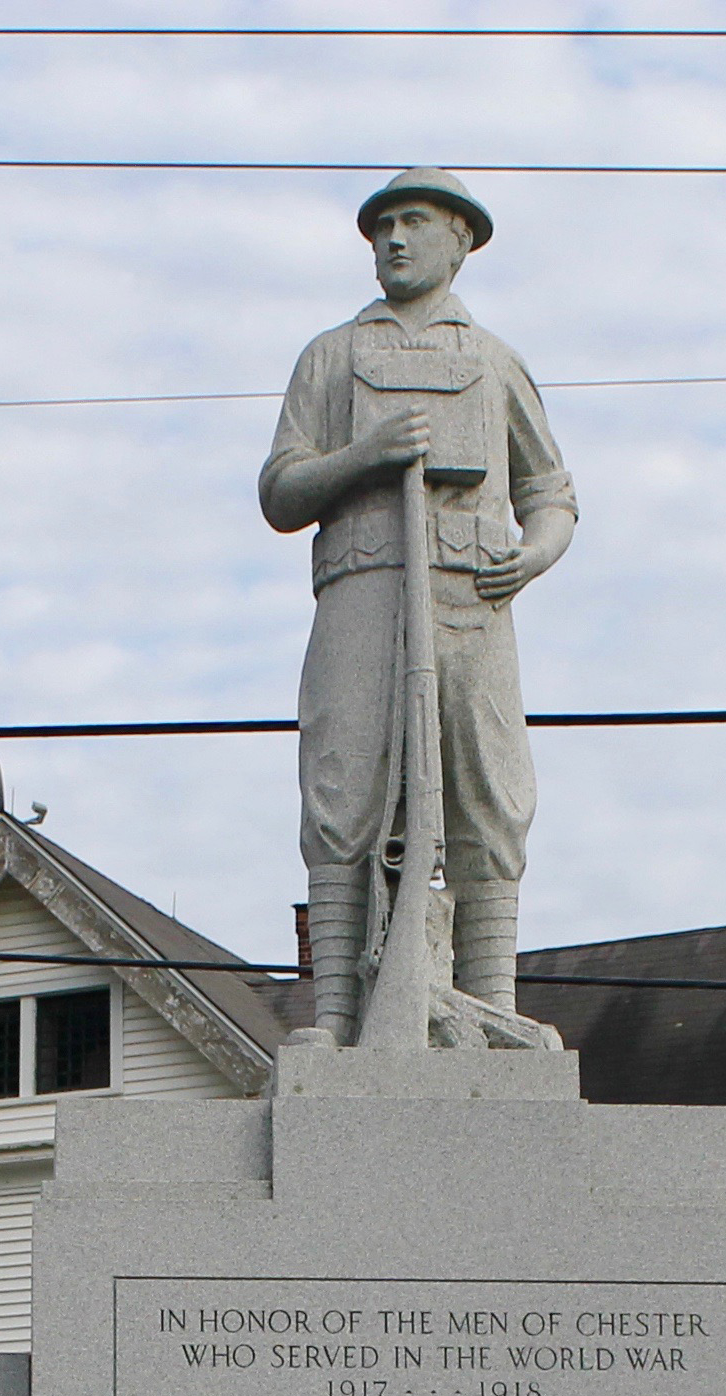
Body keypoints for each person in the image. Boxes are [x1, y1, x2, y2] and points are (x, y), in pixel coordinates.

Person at [260, 167, 578, 1043]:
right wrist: (364, 456)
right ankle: (333, 1017)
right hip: (362, 592)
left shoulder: (494, 363)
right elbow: (282, 491)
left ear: (459, 241)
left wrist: (532, 557)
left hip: (471, 598)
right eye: (380, 229)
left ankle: (491, 1007)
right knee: (342, 788)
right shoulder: (329, 356)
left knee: (487, 790)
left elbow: (550, 490)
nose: (392, 241)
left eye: (412, 223)